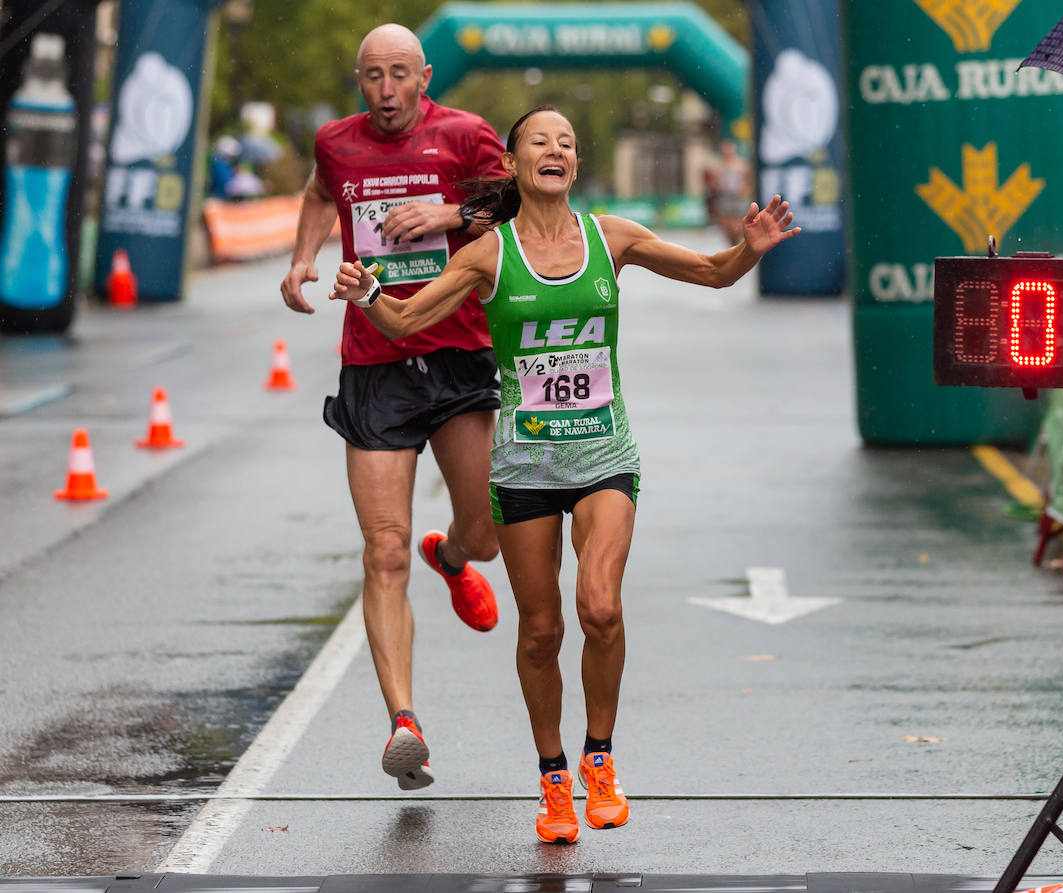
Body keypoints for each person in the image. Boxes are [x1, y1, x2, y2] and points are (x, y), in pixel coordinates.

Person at [330, 106, 799, 843]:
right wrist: (365, 294)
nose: (556, 150)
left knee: (601, 606)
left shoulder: (610, 237)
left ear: (575, 166)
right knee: (542, 629)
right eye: (539, 142)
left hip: (603, 453)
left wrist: (751, 248)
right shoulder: (489, 254)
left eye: (568, 143)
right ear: (513, 167)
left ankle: (600, 758)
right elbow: (406, 321)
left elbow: (712, 272)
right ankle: (552, 775)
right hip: (525, 463)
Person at [278, 23, 508, 792]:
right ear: (359, 80)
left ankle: (452, 556)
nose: (384, 91)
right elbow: (318, 191)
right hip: (374, 363)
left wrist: (447, 217)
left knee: (487, 534)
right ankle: (404, 722)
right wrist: (305, 255)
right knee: (382, 548)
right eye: (372, 76)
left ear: (424, 77)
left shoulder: (465, 135)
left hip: (457, 353)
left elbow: (514, 201)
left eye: (399, 75)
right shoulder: (337, 144)